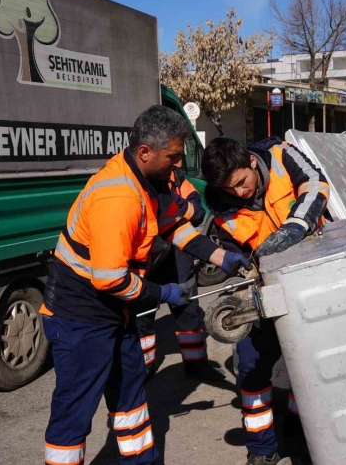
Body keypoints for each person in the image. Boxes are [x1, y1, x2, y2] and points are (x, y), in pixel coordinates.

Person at [40, 106, 249, 465]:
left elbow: (173, 228)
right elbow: (109, 279)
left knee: (131, 395)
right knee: (75, 411)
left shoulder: (150, 181)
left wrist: (221, 258)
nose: (178, 167)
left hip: (113, 312)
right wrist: (164, 293)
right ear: (145, 152)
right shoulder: (118, 195)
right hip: (80, 316)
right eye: (172, 158)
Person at [201, 137, 329, 465]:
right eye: (231, 190)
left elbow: (316, 184)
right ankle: (261, 450)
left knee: (313, 365)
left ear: (252, 164)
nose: (240, 193)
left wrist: (294, 227)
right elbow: (232, 255)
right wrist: (239, 278)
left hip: (314, 278)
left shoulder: (280, 155)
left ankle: (304, 435)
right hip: (266, 289)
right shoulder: (220, 206)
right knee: (252, 364)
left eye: (242, 183)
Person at [136, 164, 225, 381]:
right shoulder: (138, 180)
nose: (176, 163)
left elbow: (198, 212)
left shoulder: (178, 180)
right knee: (142, 320)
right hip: (148, 261)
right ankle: (144, 367)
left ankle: (196, 366)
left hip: (178, 258)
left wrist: (177, 206)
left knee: (188, 314)